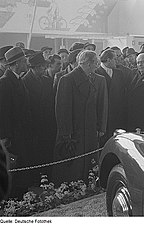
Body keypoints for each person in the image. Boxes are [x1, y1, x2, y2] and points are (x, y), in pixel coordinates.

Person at [53, 50, 108, 186]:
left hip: (89, 129)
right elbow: (62, 110)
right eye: (96, 64)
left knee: (89, 163)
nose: (97, 67)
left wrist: (100, 126)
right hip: (74, 133)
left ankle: (88, 185)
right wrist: (66, 134)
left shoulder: (95, 79)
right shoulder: (67, 80)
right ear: (88, 64)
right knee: (74, 166)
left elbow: (100, 105)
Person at [0, 47, 30, 198]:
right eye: (24, 61)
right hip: (12, 137)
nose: (27, 63)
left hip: (22, 134)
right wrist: (5, 138)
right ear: (17, 63)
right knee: (13, 170)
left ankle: (20, 197)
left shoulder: (18, 80)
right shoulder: (4, 83)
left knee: (21, 169)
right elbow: (3, 113)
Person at [22, 52, 56, 184]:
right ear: (35, 67)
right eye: (42, 67)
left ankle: (47, 174)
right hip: (33, 124)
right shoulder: (25, 81)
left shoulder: (47, 81)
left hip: (47, 123)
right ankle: (35, 178)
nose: (44, 70)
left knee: (47, 150)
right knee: (35, 152)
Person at [96, 49, 129, 146]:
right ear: (108, 60)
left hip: (117, 116)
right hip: (103, 117)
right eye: (115, 59)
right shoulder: (96, 73)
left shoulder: (119, 73)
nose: (117, 61)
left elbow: (123, 93)